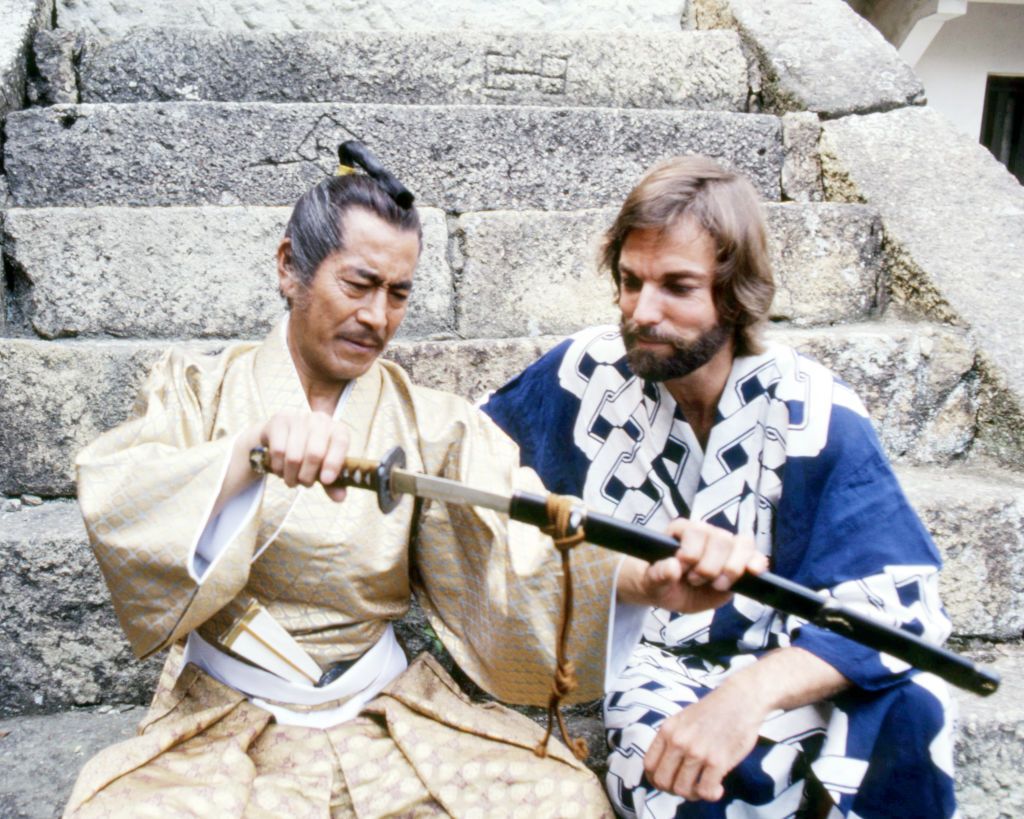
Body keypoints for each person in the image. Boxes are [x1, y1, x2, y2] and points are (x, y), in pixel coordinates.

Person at [66, 145, 765, 818]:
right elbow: (124, 496)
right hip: (225, 709)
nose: (377, 317)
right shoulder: (198, 390)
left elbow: (513, 549)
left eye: (398, 293)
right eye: (358, 284)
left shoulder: (432, 425)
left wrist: (642, 580)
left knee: (565, 801)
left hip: (377, 704)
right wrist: (249, 451)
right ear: (289, 266)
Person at [482, 156, 956, 819]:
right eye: (630, 281)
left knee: (914, 703)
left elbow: (895, 609)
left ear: (735, 297)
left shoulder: (814, 412)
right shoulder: (584, 375)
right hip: (650, 665)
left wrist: (747, 695)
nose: (643, 311)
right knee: (680, 773)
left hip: (791, 657)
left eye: (677, 286)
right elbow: (470, 463)